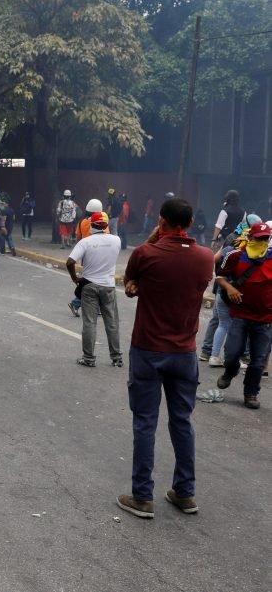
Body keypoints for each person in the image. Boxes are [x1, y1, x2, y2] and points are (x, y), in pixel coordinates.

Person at [116, 198, 213, 519]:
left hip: (148, 350)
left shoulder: (147, 253)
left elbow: (131, 278)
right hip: (185, 353)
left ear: (162, 221)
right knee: (182, 422)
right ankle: (185, 493)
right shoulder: (205, 259)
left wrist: (153, 240)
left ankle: (143, 497)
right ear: (189, 223)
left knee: (145, 422)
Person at [214, 221, 271, 409]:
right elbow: (220, 277)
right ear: (250, 237)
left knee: (258, 360)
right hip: (240, 314)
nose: (262, 241)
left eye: (266, 238)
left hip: (265, 319)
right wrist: (229, 287)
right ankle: (230, 372)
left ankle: (251, 394)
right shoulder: (236, 256)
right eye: (259, 238)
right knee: (232, 353)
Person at [67, 212, 123, 368]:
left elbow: (70, 261)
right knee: (112, 323)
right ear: (106, 225)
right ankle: (116, 357)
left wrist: (75, 278)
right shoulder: (116, 240)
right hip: (108, 286)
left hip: (89, 286)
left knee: (90, 323)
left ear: (91, 224)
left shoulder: (86, 242)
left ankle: (89, 358)